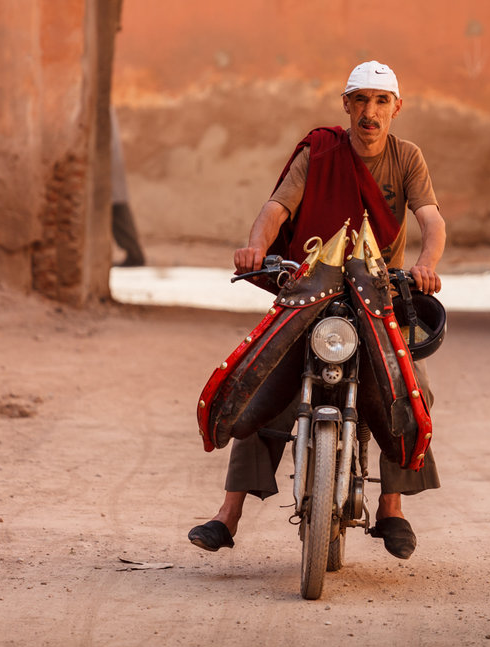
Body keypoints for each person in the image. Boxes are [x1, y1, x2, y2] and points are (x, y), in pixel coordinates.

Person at [188, 61, 447, 559]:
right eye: (360, 101)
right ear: (345, 104)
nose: (370, 113)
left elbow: (431, 220)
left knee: (412, 386)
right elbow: (276, 209)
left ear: (396, 107)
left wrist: (425, 264)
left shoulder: (407, 158)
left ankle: (391, 508)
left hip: (376, 296)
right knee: (263, 376)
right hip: (313, 289)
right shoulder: (320, 153)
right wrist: (253, 247)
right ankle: (228, 515)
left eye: (380, 101)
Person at [110, 106, 146, 267]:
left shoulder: (104, 110)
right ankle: (134, 252)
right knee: (118, 207)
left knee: (118, 209)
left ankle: (134, 253)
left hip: (109, 167)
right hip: (110, 167)